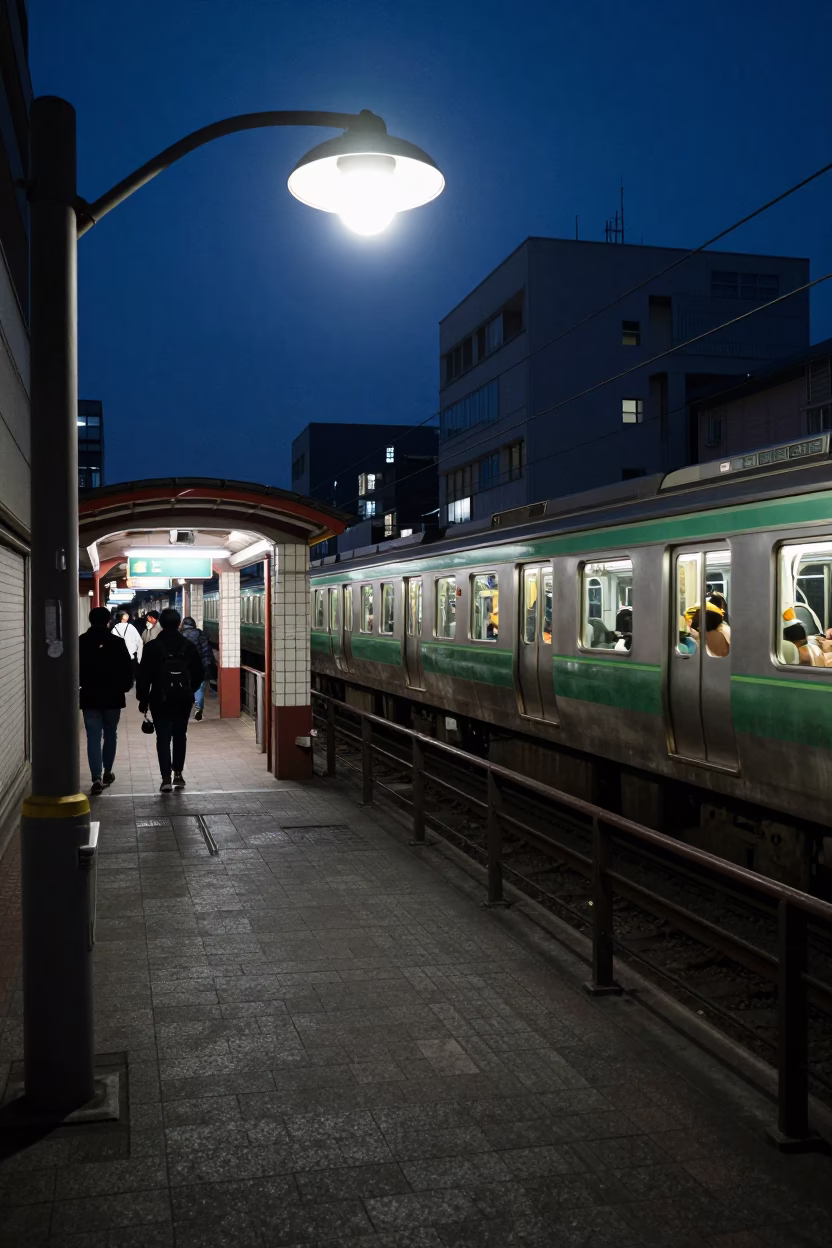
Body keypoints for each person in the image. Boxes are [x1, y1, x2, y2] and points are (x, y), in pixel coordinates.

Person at [137, 607, 204, 792]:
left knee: (163, 738)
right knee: (180, 736)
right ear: (178, 623)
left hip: (159, 699)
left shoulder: (152, 647)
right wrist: (190, 690)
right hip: (183, 700)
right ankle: (179, 775)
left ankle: (166, 778)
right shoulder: (188, 646)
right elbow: (199, 672)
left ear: (161, 623)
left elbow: (143, 676)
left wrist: (142, 700)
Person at [79, 605, 134, 794]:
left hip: (89, 695)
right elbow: (128, 668)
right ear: (108, 621)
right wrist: (125, 687)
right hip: (112, 696)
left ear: (90, 620)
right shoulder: (117, 642)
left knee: (93, 737)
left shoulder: (81, 641)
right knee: (110, 733)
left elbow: (74, 668)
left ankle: (96, 777)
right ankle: (107, 772)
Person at [179, 615, 217, 721]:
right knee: (199, 687)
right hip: (198, 665)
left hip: (184, 667)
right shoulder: (200, 634)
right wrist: (207, 664)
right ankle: (198, 708)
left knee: (184, 687)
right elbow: (206, 651)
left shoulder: (180, 635)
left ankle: (185, 708)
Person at [112, 610, 144, 681]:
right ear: (122, 617)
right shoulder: (131, 627)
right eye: (126, 615)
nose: (128, 616)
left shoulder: (114, 629)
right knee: (130, 674)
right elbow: (139, 641)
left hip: (119, 657)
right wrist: (139, 657)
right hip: (131, 656)